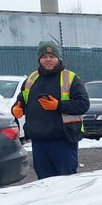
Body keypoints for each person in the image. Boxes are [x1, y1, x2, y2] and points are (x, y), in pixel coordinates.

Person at [12, 41, 90, 179]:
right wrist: (16, 108)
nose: (48, 59)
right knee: (44, 183)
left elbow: (83, 105)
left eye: (52, 56)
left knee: (66, 181)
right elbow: (21, 100)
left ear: (58, 58)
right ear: (39, 59)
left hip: (63, 141)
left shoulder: (71, 78)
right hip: (39, 143)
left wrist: (58, 105)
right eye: (44, 56)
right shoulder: (31, 79)